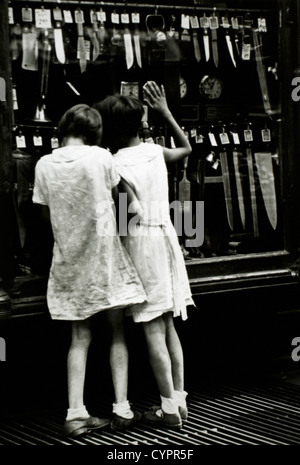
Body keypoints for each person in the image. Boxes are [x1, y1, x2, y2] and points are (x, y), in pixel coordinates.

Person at [32, 104, 147, 437]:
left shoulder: (43, 164)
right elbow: (122, 202)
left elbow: (44, 216)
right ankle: (122, 408)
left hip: (69, 260)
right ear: (95, 131)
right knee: (117, 333)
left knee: (79, 338)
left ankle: (75, 412)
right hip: (104, 257)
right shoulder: (101, 157)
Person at [95, 82, 195, 430]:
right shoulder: (155, 151)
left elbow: (128, 217)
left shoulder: (113, 163)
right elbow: (187, 148)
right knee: (168, 325)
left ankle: (169, 408)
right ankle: (179, 400)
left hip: (141, 243)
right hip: (166, 238)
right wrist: (166, 110)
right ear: (140, 124)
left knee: (152, 326)